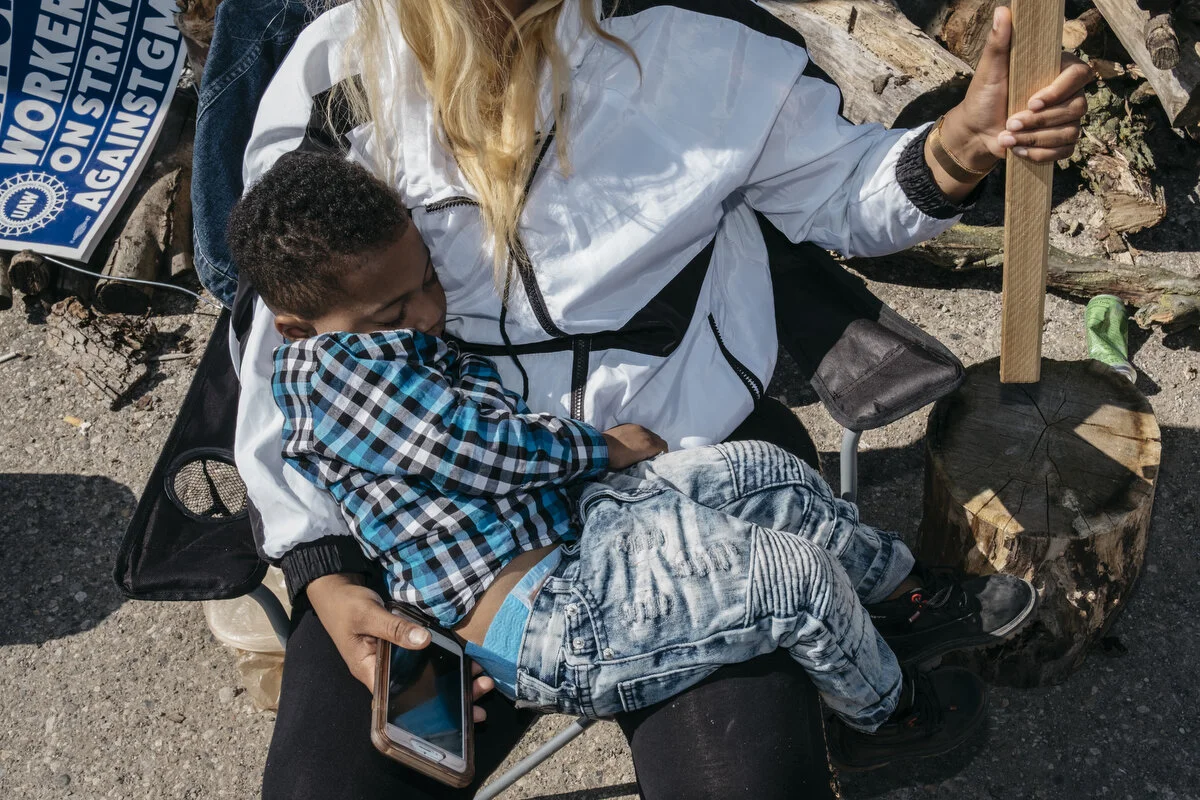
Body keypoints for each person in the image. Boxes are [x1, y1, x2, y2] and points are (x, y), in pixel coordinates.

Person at [230, 1, 1092, 796]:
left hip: (678, 450)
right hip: (444, 538)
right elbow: (282, 349)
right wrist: (324, 573)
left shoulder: (701, 33)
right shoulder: (339, 72)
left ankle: (887, 662)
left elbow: (839, 188)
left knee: (746, 780)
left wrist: (957, 149)